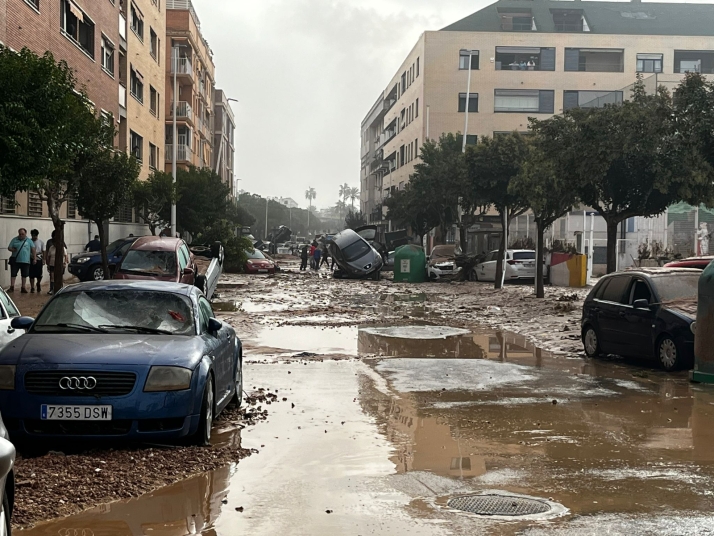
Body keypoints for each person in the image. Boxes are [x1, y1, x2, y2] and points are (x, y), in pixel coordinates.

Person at [7, 228, 35, 294]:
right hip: (15, 260)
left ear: (25, 234)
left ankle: (23, 287)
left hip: (25, 261)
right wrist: (12, 249)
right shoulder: (14, 239)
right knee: (13, 274)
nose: (21, 235)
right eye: (20, 234)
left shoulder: (29, 241)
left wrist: (34, 258)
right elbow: (9, 247)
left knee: (24, 275)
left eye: (23, 234)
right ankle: (12, 286)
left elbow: (33, 249)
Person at [45, 230, 68, 295]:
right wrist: (48, 263)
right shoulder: (50, 245)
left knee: (60, 276)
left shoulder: (62, 245)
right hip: (52, 263)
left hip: (60, 264)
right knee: (52, 276)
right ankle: (52, 289)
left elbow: (66, 254)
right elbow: (48, 254)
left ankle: (60, 288)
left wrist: (65, 263)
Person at [29, 229, 44, 293]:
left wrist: (44, 259)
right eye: (33, 235)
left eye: (35, 235)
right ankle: (32, 287)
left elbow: (44, 251)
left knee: (39, 274)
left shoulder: (41, 242)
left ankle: (38, 283)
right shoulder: (29, 241)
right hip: (30, 258)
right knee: (31, 274)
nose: (34, 237)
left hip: (39, 259)